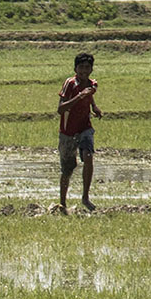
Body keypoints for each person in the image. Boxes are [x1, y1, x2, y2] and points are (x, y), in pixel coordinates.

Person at [57, 52, 102, 211]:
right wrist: (79, 97)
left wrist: (94, 107)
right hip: (68, 131)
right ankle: (63, 203)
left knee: (88, 156)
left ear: (91, 69)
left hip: (85, 128)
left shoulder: (92, 85)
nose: (84, 70)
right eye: (81, 67)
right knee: (68, 169)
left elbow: (89, 97)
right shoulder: (70, 84)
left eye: (87, 67)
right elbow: (60, 109)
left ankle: (85, 197)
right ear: (75, 69)